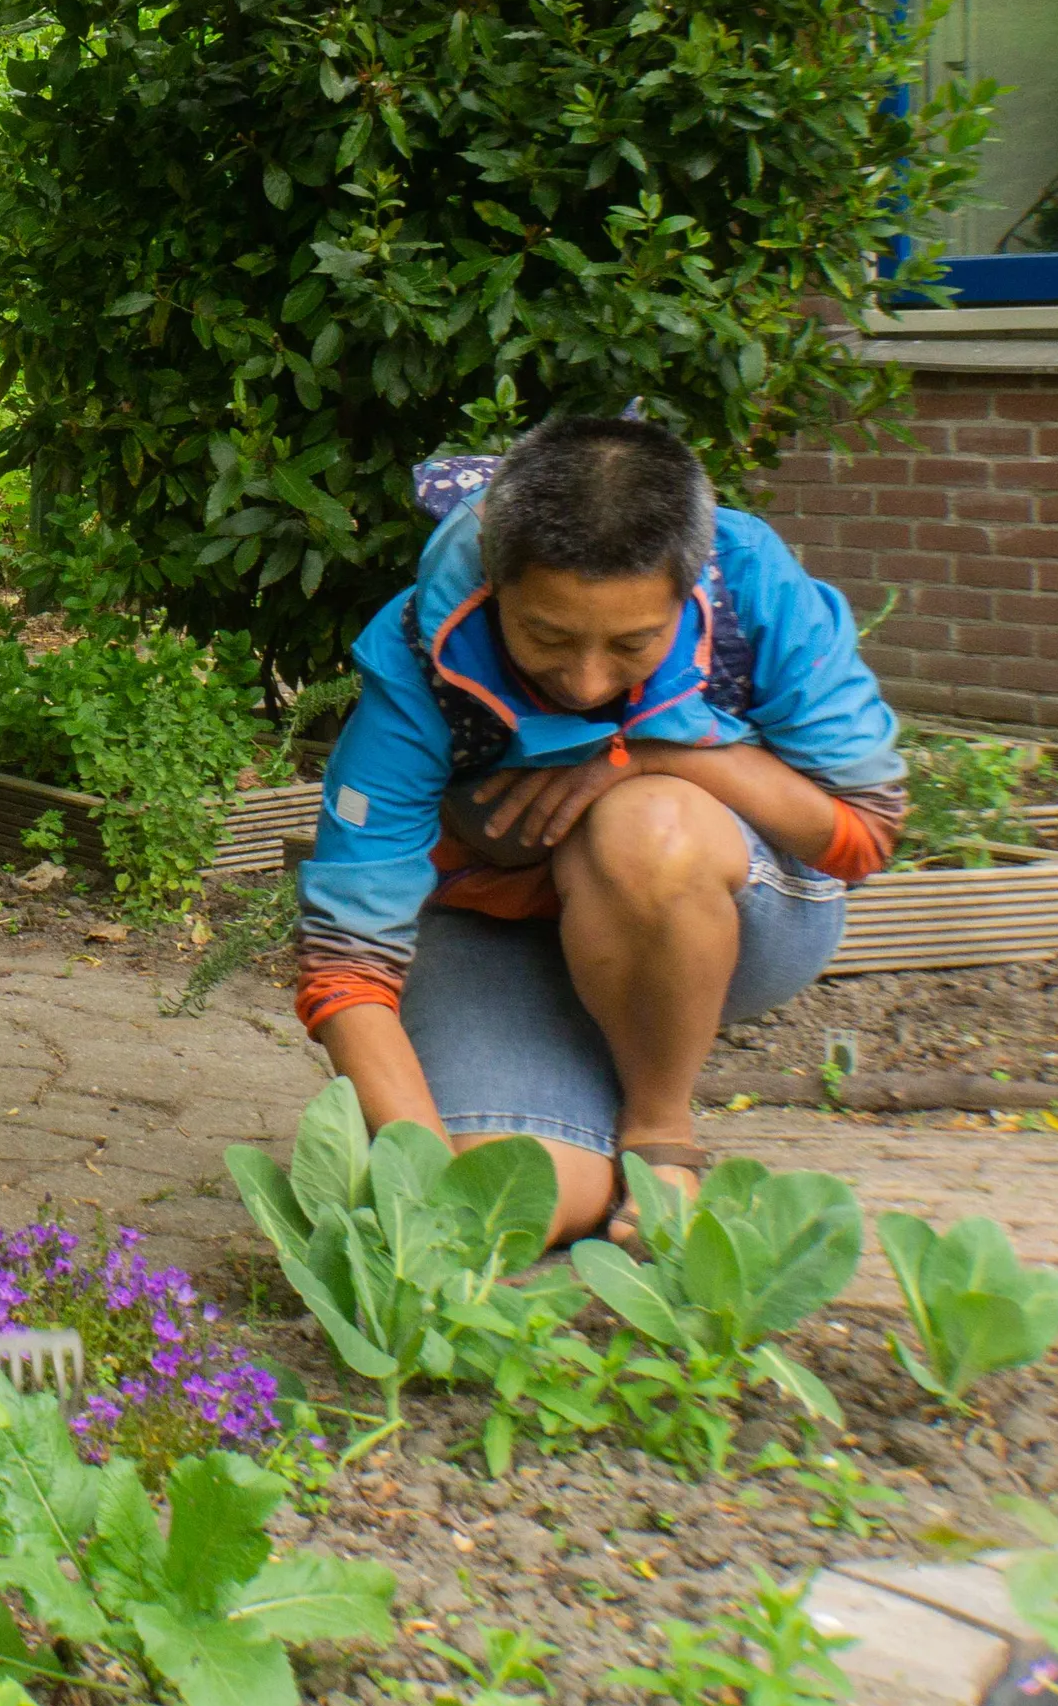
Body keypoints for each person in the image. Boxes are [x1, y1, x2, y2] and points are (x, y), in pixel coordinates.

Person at [296, 414, 907, 1243]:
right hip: (506, 938)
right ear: (494, 579)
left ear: (687, 590)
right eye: (546, 635)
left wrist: (656, 754)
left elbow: (863, 837)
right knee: (500, 1205)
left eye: (634, 643)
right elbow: (346, 956)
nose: (586, 680)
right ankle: (583, 1105)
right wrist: (423, 1178)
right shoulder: (417, 654)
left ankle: (660, 1131)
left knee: (643, 823)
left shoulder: (753, 584)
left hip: (734, 911)